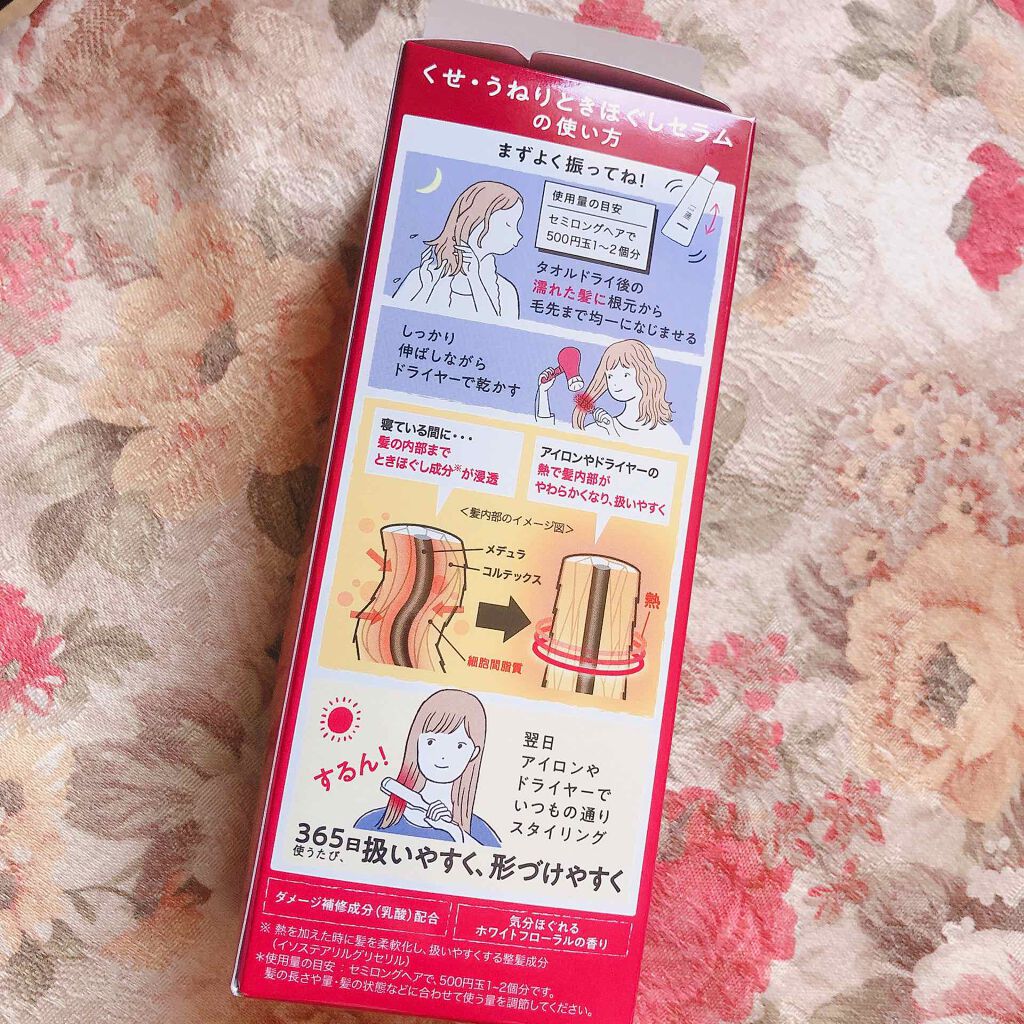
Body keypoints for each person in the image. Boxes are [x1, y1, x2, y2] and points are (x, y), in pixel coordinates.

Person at [354, 689, 500, 846]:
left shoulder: (479, 834)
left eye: (459, 746)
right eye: (431, 742)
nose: (442, 756)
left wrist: (453, 831)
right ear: (417, 742)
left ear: (474, 753)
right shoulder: (371, 824)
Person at [393, 181, 523, 319]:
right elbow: (392, 323)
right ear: (475, 220)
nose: (519, 235)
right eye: (508, 224)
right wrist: (426, 289)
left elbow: (496, 331)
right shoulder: (422, 276)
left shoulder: (506, 292)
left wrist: (475, 278)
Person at [535, 338, 681, 449]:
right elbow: (547, 444)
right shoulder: (598, 429)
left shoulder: (666, 436)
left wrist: (612, 432)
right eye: (610, 376)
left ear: (645, 375)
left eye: (625, 375)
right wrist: (543, 392)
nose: (616, 383)